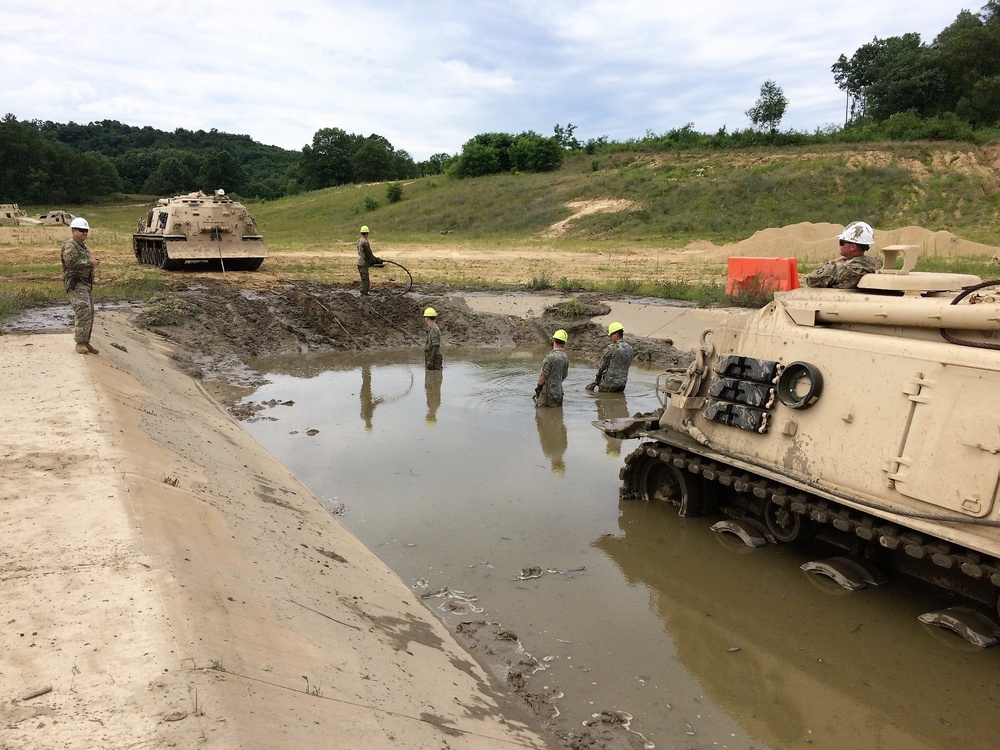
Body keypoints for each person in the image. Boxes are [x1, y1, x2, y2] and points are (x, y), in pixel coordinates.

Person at [61, 216, 100, 354]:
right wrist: (89, 263)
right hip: (76, 283)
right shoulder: (70, 245)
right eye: (81, 230)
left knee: (90, 313)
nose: (84, 233)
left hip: (85, 283)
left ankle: (85, 340)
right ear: (73, 231)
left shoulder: (82, 247)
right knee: (83, 311)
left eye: (86, 231)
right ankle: (80, 343)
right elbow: (71, 262)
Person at [805, 221, 882, 289]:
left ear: (853, 247)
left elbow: (811, 280)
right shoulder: (876, 263)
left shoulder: (845, 269)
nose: (840, 245)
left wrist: (833, 262)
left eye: (842, 242)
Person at [587, 322, 634, 392]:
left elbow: (602, 367)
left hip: (608, 385)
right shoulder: (630, 349)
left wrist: (597, 380)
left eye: (611, 335)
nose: (610, 337)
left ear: (616, 335)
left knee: (600, 400)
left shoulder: (611, 348)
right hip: (622, 385)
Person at [534, 329, 569, 408]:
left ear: (553, 340)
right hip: (559, 393)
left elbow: (543, 376)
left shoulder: (550, 357)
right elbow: (564, 375)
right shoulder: (565, 358)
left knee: (540, 415)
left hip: (547, 394)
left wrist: (538, 389)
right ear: (564, 343)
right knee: (557, 416)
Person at [356, 225, 383, 296]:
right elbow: (369, 254)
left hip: (359, 262)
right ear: (367, 233)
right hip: (363, 263)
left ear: (361, 233)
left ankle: (364, 293)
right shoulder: (365, 242)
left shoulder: (359, 241)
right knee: (365, 281)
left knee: (364, 279)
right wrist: (377, 260)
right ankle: (363, 294)